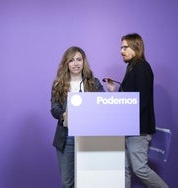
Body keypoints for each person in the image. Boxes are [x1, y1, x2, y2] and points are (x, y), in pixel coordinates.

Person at [105, 33, 168, 188]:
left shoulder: (141, 66)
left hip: (138, 131)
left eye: (125, 47)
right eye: (121, 47)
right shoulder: (132, 67)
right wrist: (114, 91)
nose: (121, 51)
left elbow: (142, 101)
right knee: (125, 169)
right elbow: (128, 100)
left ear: (136, 47)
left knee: (140, 169)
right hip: (130, 129)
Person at [50, 46, 104, 188]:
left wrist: (110, 93)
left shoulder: (93, 82)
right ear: (66, 63)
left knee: (87, 182)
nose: (76, 63)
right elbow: (54, 108)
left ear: (83, 62)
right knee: (67, 182)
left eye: (79, 60)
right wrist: (63, 115)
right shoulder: (58, 84)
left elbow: (103, 105)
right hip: (66, 138)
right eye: (71, 60)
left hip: (89, 137)